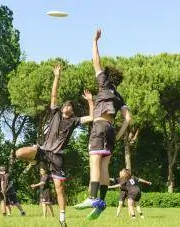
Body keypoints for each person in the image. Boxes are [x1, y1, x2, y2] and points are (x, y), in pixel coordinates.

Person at [15, 64, 94, 227]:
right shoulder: (55, 113)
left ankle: (63, 219)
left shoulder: (74, 121)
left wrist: (90, 100)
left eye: (70, 106)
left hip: (57, 157)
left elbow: (92, 117)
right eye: (65, 105)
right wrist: (57, 76)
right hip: (43, 151)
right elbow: (53, 95)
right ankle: (36, 161)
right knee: (19, 153)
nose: (67, 107)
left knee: (59, 189)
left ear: (72, 111)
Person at [74, 28, 132, 220]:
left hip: (99, 127)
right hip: (111, 130)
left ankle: (92, 197)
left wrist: (94, 41)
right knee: (105, 166)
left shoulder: (104, 84)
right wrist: (118, 134)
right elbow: (128, 119)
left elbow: (96, 62)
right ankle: (102, 201)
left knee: (94, 163)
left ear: (107, 76)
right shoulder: (119, 95)